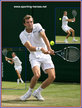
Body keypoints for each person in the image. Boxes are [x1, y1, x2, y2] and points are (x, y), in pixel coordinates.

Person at [19, 15, 55, 101]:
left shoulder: (38, 26)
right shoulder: (22, 35)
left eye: (31, 22)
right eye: (27, 22)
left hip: (45, 55)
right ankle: (29, 92)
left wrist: (49, 48)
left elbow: (44, 36)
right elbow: (30, 47)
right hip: (34, 56)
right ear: (24, 24)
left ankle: (37, 92)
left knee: (52, 76)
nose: (30, 24)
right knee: (37, 75)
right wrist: (41, 49)